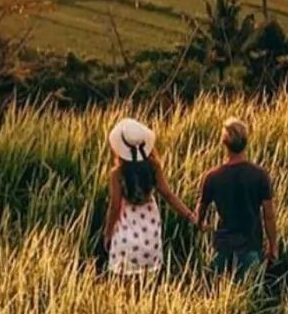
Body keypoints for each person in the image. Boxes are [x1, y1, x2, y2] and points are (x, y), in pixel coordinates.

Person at [103, 117, 194, 276]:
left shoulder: (117, 173)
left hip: (125, 234)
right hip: (149, 233)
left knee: (123, 284)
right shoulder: (153, 166)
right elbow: (168, 195)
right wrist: (191, 216)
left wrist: (108, 232)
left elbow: (115, 206)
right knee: (145, 284)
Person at [196, 117, 278, 275]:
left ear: (224, 143)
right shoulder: (260, 175)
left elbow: (201, 208)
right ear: (246, 142)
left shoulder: (212, 176)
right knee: (250, 295)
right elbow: (269, 216)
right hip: (250, 247)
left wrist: (200, 224)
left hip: (222, 247)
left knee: (216, 294)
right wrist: (273, 246)